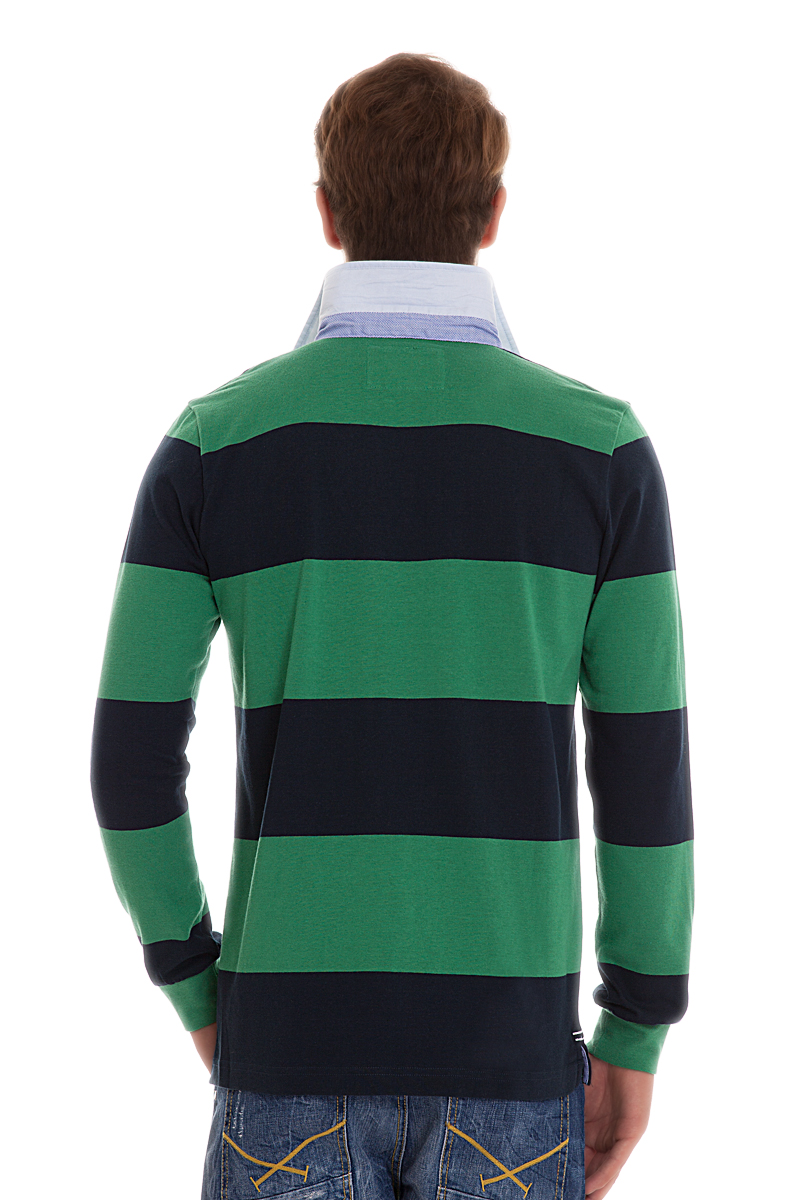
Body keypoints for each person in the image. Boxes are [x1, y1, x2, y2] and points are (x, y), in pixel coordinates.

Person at [90, 52, 693, 1200]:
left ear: (327, 213)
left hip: (287, 1056)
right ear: (492, 214)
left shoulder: (215, 445)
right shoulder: (599, 454)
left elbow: (128, 769)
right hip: (511, 1068)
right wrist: (636, 1023)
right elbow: (644, 773)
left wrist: (200, 990)